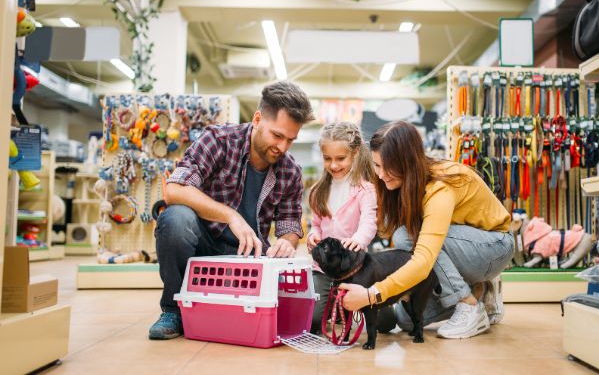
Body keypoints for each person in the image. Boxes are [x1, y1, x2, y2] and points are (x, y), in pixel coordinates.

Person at [149, 81, 314, 340]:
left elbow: (291, 225)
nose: (282, 147)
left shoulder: (290, 171)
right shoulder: (219, 140)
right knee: (175, 219)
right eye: (277, 135)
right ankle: (173, 309)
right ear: (258, 119)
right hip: (202, 246)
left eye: (290, 140)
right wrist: (230, 215)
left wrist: (286, 242)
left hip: (247, 257)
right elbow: (174, 190)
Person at [339, 121, 513, 339]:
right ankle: (480, 291)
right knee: (406, 319)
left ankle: (467, 304)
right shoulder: (402, 184)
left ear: (407, 161)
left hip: (494, 247)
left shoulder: (439, 188)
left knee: (408, 235)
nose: (381, 174)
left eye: (388, 166)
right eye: (377, 165)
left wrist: (372, 295)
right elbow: (384, 230)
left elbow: (423, 261)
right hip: (463, 250)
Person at [306, 122, 377, 335]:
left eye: (340, 159)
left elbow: (369, 222)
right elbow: (316, 224)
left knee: (385, 322)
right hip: (324, 270)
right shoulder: (319, 190)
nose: (334, 165)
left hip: (355, 269)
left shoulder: (365, 190)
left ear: (355, 153)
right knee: (314, 320)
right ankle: (334, 306)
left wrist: (359, 239)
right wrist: (313, 235)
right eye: (327, 159)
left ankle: (345, 306)